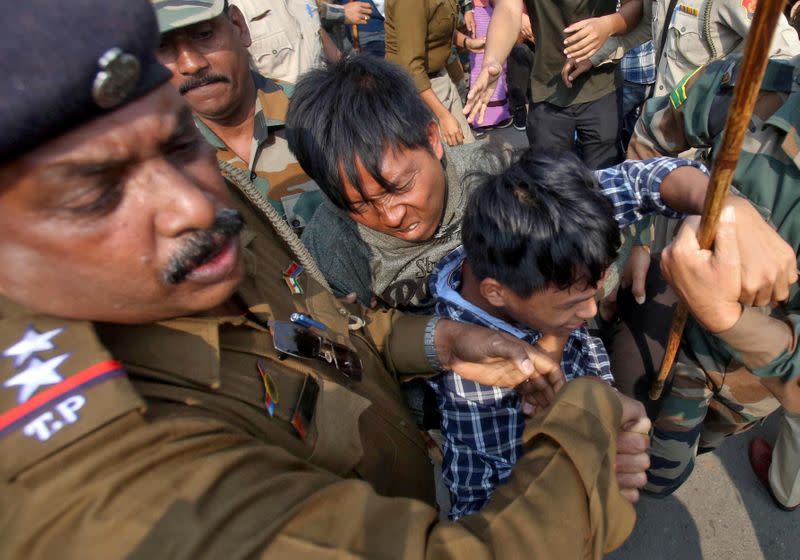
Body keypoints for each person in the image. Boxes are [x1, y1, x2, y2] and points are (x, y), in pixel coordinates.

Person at [0, 0, 655, 556]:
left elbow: (319, 325)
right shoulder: (95, 484)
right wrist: (585, 415)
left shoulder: (209, 233)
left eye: (178, 145)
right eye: (95, 194)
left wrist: (436, 342)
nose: (193, 207)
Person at [287, 55, 713, 315]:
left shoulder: (491, 169)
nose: (391, 215)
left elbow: (603, 199)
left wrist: (632, 248)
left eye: (399, 187)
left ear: (433, 139)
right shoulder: (335, 245)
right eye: (361, 204)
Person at [619, 53, 800, 510]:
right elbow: (651, 135)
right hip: (664, 315)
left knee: (681, 459)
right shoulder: (749, 82)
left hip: (755, 385)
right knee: (648, 469)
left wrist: (726, 318)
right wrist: (638, 242)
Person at [154, 0, 323, 231]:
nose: (192, 64)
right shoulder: (158, 167)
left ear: (239, 26)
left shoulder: (324, 119)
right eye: (163, 46)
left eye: (204, 34)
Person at [465, 0, 642, 169]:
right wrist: (492, 60)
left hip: (603, 86)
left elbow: (636, 5)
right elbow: (508, 8)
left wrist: (609, 25)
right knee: (550, 181)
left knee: (604, 181)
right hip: (547, 90)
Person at [384, 0, 484, 146]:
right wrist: (443, 116)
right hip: (418, 90)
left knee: (469, 153)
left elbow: (436, 26)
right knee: (450, 161)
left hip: (440, 78)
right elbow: (412, 67)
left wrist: (467, 42)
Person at [229, 0, 341, 84]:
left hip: (329, 101)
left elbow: (317, 33)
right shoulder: (234, 10)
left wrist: (349, 69)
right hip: (287, 111)